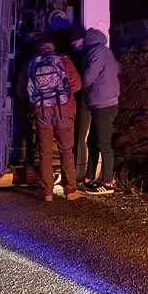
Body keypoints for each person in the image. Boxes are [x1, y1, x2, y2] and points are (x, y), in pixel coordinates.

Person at [17, 35, 82, 202]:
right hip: (63, 110)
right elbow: (77, 84)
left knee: (44, 152)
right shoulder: (63, 60)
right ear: (52, 47)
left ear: (38, 48)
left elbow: (21, 91)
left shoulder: (31, 64)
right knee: (66, 150)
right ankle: (70, 190)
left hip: (42, 112)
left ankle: (47, 193)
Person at [69, 25, 120, 194]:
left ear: (82, 40)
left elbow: (87, 78)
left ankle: (107, 183)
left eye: (74, 42)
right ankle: (89, 178)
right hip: (101, 103)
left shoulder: (96, 53)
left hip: (104, 104)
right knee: (92, 141)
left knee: (104, 143)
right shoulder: (102, 51)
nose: (74, 46)